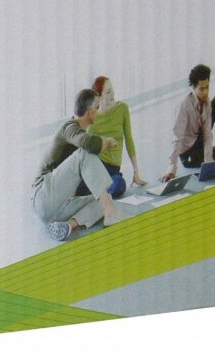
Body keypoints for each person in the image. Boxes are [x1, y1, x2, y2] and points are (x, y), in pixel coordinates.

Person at [32, 88, 125, 242]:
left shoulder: (80, 133)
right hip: (43, 197)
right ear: (90, 112)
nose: (99, 112)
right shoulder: (68, 128)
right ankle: (110, 211)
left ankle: (68, 226)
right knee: (85, 153)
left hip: (59, 208)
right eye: (97, 108)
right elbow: (88, 144)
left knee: (104, 198)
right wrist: (107, 142)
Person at [161, 63, 215, 182]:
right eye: (201, 88)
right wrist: (172, 168)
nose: (205, 92)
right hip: (188, 153)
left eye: (207, 87)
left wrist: (208, 162)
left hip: (198, 140)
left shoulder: (207, 103)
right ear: (193, 87)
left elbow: (207, 134)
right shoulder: (183, 106)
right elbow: (177, 138)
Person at [84, 76, 147, 197]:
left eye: (112, 90)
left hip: (113, 169)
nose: (113, 94)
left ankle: (97, 191)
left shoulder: (122, 108)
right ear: (98, 97)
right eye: (108, 92)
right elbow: (86, 146)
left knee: (119, 185)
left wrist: (136, 172)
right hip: (97, 165)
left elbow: (129, 139)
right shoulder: (92, 116)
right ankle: (95, 191)